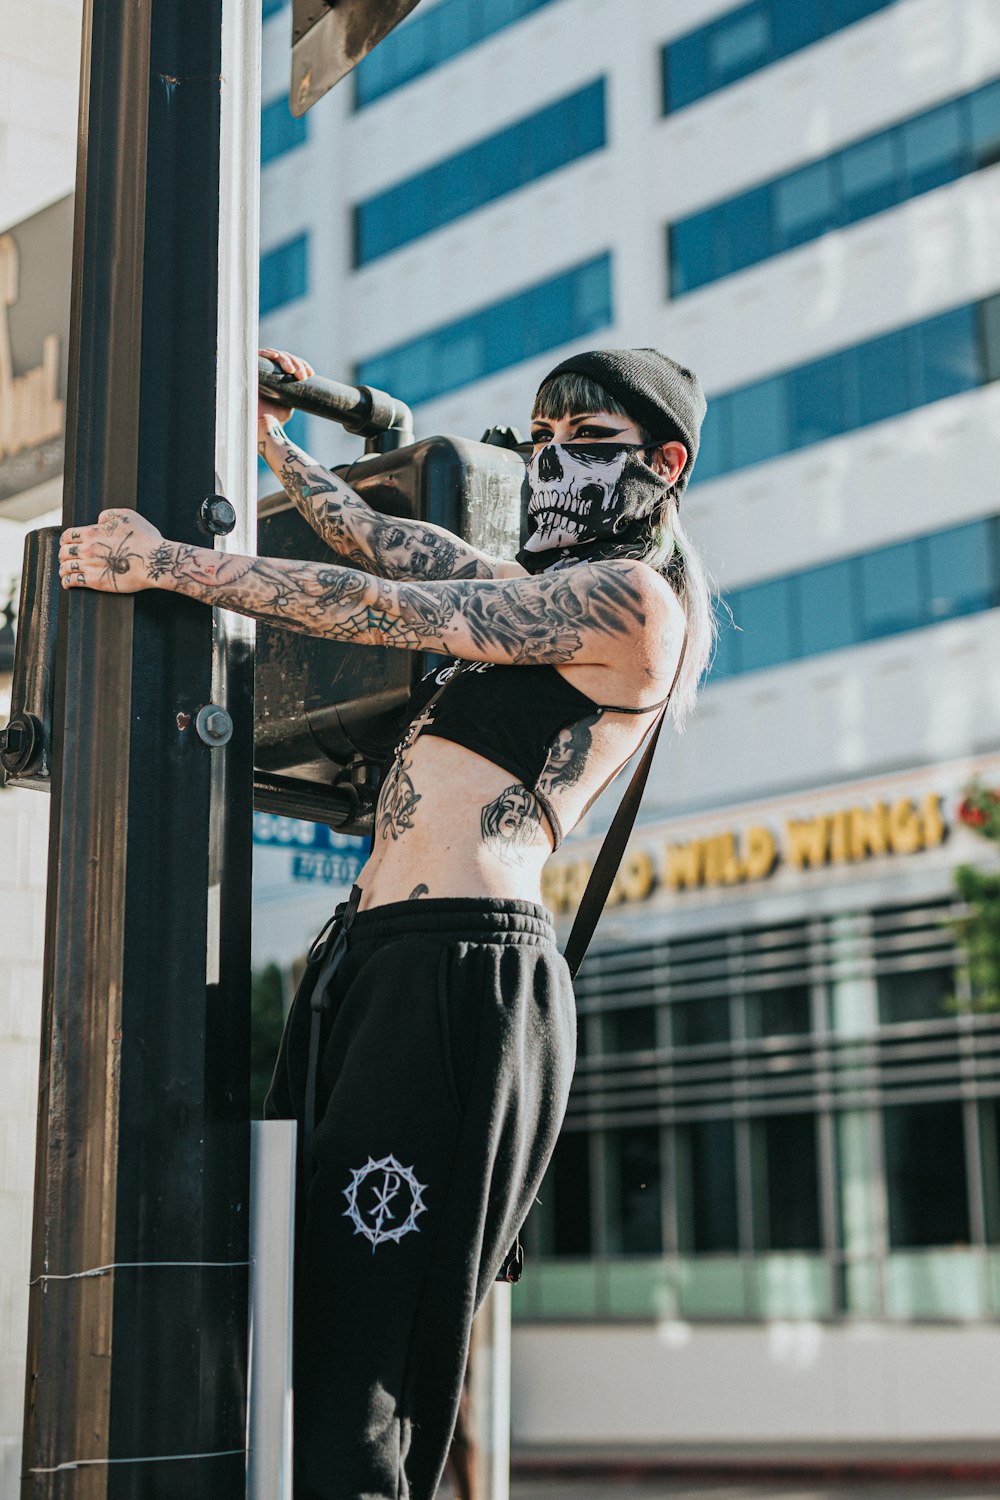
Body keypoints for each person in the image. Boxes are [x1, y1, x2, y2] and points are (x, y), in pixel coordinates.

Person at [58, 344, 714, 1500]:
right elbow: (372, 540)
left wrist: (168, 565)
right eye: (543, 439)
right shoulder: (528, 589)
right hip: (369, 958)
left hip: (461, 975)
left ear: (664, 466)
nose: (556, 461)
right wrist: (272, 438)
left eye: (590, 444)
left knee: (366, 1373)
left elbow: (384, 605)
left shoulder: (630, 603)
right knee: (282, 1301)